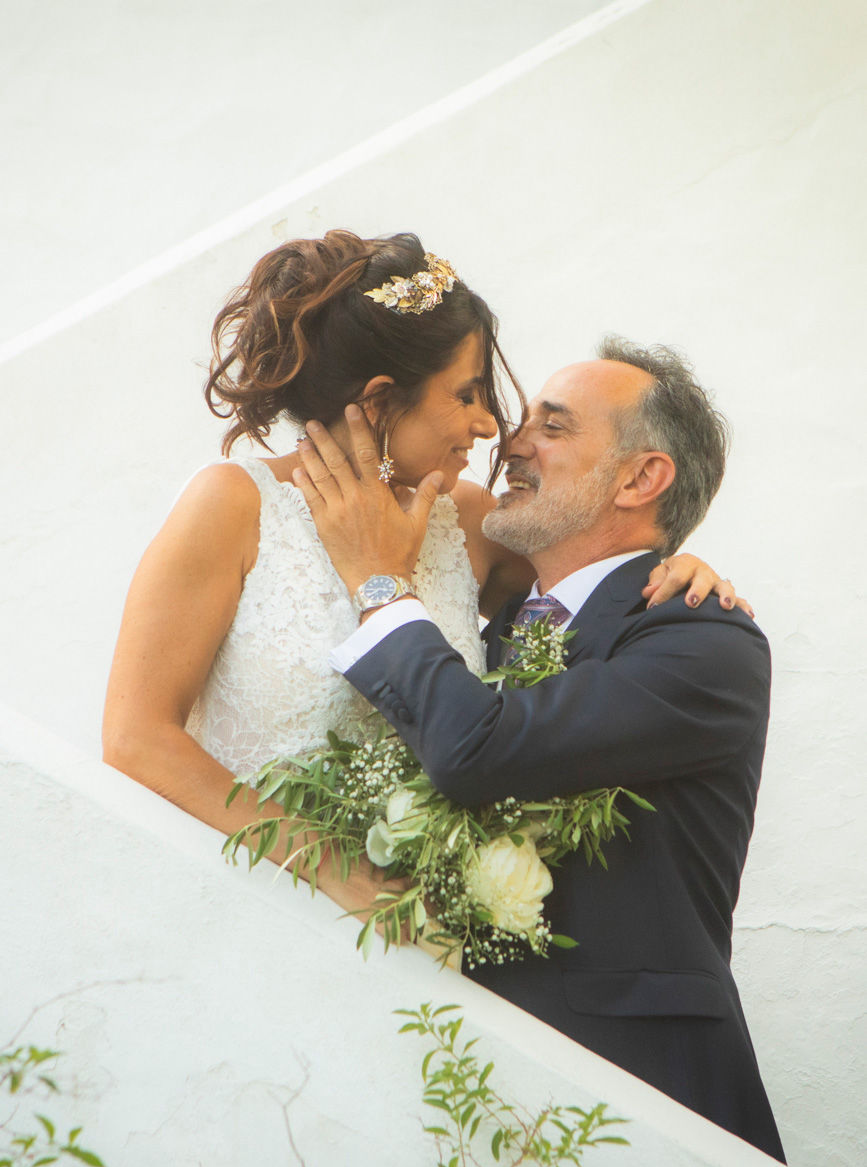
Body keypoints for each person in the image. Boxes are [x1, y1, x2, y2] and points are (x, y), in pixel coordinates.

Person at [103, 230, 747, 930]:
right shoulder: (232, 506)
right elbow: (136, 738)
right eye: (467, 394)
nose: (489, 426)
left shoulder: (466, 522)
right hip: (265, 903)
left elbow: (596, 567)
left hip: (423, 943)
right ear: (380, 402)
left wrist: (677, 565)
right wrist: (328, 868)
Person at [289, 338, 785, 1161]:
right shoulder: (495, 635)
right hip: (464, 1089)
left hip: (642, 1094)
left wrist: (378, 582)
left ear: (639, 479)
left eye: (549, 428)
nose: (509, 443)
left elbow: (474, 748)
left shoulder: (703, 641)